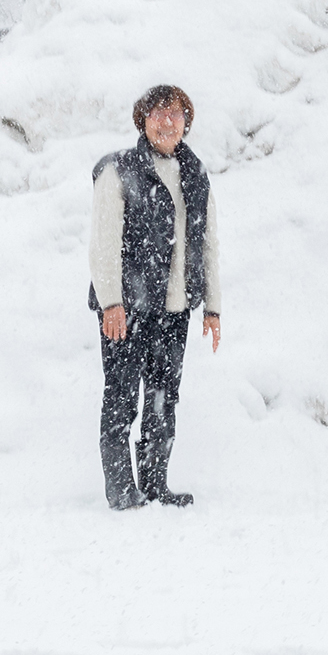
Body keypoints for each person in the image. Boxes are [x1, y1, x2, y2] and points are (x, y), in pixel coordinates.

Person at [89, 85, 221, 510]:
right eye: (159, 113)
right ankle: (122, 492)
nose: (168, 121)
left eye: (176, 113)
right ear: (142, 121)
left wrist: (212, 306)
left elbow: (208, 245)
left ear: (187, 122)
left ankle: (154, 484)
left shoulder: (195, 174)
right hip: (127, 309)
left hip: (174, 310)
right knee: (122, 396)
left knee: (164, 399)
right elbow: (103, 245)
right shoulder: (120, 171)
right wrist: (111, 302)